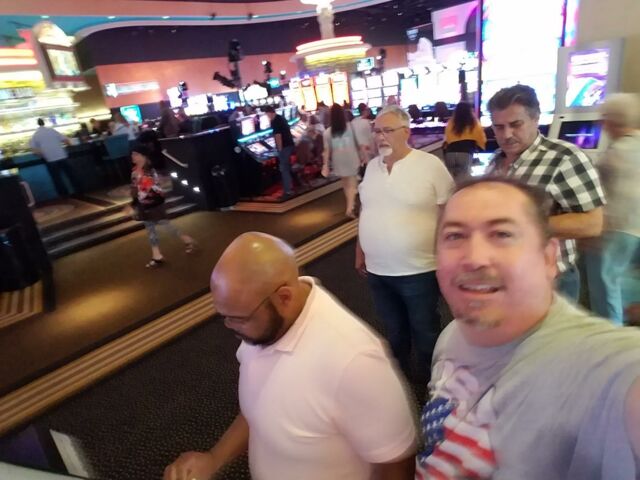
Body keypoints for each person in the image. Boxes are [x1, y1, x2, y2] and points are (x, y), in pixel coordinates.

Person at [417, 176, 640, 479]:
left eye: (502, 234)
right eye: (455, 236)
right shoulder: (453, 334)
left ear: (548, 258)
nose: (474, 258)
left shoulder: (604, 366)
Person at [164, 232, 418, 480]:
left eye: (238, 318)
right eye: (224, 316)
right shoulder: (262, 325)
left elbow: (396, 464)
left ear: (284, 298)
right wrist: (214, 458)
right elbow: (260, 403)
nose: (229, 327)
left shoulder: (355, 362)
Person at [356, 105, 455, 381]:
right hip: (378, 271)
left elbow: (450, 213)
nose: (380, 137)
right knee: (394, 331)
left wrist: (449, 254)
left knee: (425, 332)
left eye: (388, 130)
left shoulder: (429, 165)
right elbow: (366, 210)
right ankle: (399, 384)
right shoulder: (372, 168)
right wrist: (360, 249)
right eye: (377, 131)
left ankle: (431, 384)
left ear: (406, 132)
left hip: (419, 269)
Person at [486, 84, 605, 301]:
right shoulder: (495, 160)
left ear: (536, 118)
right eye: (498, 127)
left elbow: (592, 223)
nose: (507, 134)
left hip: (551, 280)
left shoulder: (564, 157)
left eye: (516, 125)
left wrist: (521, 227)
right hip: (505, 276)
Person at [584, 93, 640, 325]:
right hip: (635, 228)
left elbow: (597, 193)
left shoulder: (615, 153)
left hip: (615, 229)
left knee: (606, 287)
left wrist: (592, 233)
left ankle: (609, 333)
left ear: (611, 121)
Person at [124, 144, 195, 268]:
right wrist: (134, 201)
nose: (132, 156)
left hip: (154, 204)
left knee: (165, 225)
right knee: (151, 229)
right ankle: (157, 255)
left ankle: (186, 240)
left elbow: (145, 190)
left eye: (135, 154)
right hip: (145, 204)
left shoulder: (148, 171)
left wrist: (132, 204)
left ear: (143, 156)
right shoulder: (135, 171)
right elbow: (136, 189)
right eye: (132, 154)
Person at [321, 103, 362, 218]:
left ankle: (350, 205)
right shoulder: (351, 127)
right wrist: (362, 155)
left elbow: (326, 151)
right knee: (352, 184)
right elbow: (358, 143)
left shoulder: (327, 132)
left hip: (338, 161)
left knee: (346, 185)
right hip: (351, 158)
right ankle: (350, 208)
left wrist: (325, 165)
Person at [29, 118, 79, 198]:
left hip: (51, 159)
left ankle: (64, 195)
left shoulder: (35, 135)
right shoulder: (52, 131)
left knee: (57, 179)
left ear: (37, 124)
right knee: (71, 175)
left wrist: (43, 156)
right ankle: (79, 191)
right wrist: (70, 145)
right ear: (44, 123)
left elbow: (35, 150)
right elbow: (66, 140)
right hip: (62, 156)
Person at [443, 101, 487, 180]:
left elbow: (447, 138)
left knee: (451, 179)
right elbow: (481, 138)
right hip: (465, 153)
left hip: (450, 153)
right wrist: (480, 147)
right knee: (464, 180)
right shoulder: (474, 123)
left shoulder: (451, 122)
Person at [264, 105, 295, 199]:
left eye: (266, 114)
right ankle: (292, 186)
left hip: (284, 147)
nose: (267, 117)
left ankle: (287, 191)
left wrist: (279, 150)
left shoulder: (275, 121)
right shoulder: (281, 118)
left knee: (284, 169)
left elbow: (278, 136)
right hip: (290, 144)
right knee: (287, 167)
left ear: (269, 113)